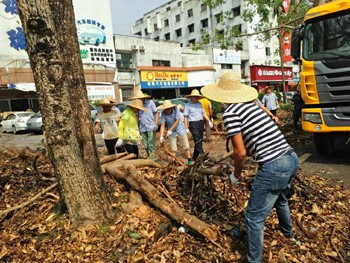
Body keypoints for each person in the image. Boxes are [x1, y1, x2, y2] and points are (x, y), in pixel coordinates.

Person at [201, 71, 299, 263]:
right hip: (291, 158)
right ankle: (288, 235)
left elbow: (241, 152)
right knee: (280, 198)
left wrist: (236, 174)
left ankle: (253, 260)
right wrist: (235, 163)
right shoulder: (252, 106)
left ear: (221, 96)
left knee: (254, 216)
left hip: (275, 165)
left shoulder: (231, 113)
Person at [158, 100, 192, 165]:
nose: (167, 111)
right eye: (165, 109)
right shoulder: (163, 113)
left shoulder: (176, 109)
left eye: (168, 109)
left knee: (186, 146)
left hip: (180, 129)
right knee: (173, 148)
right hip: (172, 132)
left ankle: (189, 160)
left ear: (171, 107)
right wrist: (161, 136)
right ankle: (173, 162)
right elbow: (162, 125)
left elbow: (177, 121)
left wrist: (170, 130)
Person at [183, 89, 213, 161]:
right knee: (197, 140)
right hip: (193, 123)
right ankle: (202, 156)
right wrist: (186, 127)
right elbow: (185, 116)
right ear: (191, 97)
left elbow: (203, 113)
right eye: (194, 96)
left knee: (200, 140)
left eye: (197, 96)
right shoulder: (188, 105)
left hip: (200, 123)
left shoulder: (199, 104)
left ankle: (194, 157)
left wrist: (209, 121)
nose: (196, 98)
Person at [129, 90, 158, 160]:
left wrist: (156, 124)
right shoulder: (137, 105)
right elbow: (137, 116)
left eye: (139, 98)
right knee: (146, 145)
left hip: (151, 126)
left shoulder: (150, 103)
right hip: (142, 127)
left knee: (151, 145)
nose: (138, 100)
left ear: (143, 98)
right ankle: (149, 158)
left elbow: (156, 113)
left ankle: (152, 160)